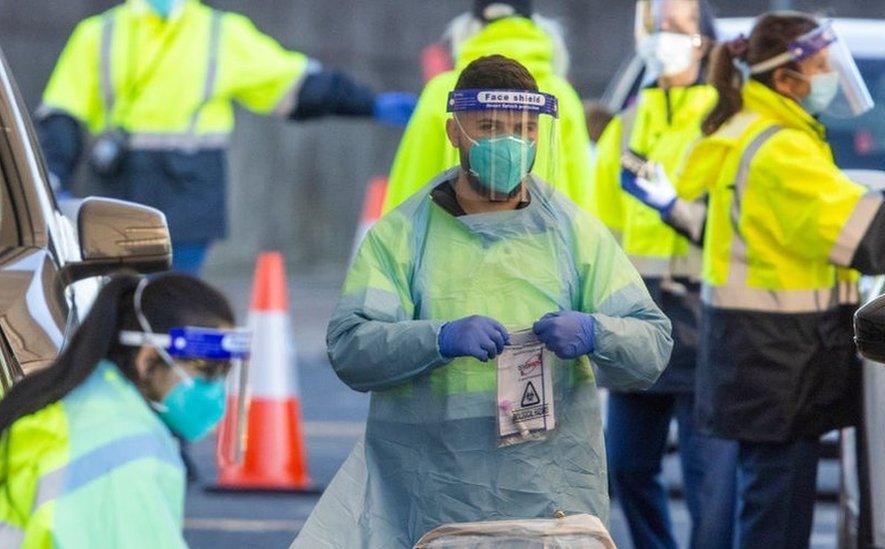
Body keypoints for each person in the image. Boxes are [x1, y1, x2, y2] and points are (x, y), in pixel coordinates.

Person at [293, 55, 674, 547]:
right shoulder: (404, 236)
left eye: (522, 129)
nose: (509, 142)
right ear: (454, 133)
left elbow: (652, 343)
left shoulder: (573, 234)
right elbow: (350, 347)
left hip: (551, 504)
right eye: (489, 127)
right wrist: (438, 339)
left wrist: (597, 333)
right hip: (436, 501)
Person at [627, 12, 885, 548]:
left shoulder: (765, 134)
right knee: (775, 520)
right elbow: (868, 240)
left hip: (760, 354)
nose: (829, 76)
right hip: (778, 361)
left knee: (768, 509)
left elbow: (843, 209)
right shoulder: (782, 150)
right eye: (819, 66)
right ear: (786, 80)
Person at [36, 0, 417, 275]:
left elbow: (294, 84)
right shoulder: (99, 35)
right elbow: (62, 115)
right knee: (119, 305)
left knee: (170, 301)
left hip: (186, 194)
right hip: (125, 188)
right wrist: (54, 177)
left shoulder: (219, 33)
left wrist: (368, 104)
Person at [595, 2, 736, 548]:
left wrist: (675, 207)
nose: (661, 39)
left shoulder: (724, 123)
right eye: (652, 28)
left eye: (675, 28)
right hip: (635, 321)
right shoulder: (627, 125)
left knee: (710, 482)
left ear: (705, 41)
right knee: (628, 466)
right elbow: (597, 229)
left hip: (705, 320)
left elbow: (735, 229)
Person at [0, 273, 249, 547]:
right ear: (148, 360)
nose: (216, 390)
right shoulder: (127, 450)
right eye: (206, 372)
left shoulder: (79, 403)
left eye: (224, 373)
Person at [380, 0, 593, 213]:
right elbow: (582, 193)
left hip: (454, 239)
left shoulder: (443, 91)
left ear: (469, 27)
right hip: (545, 239)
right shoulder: (560, 95)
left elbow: (410, 187)